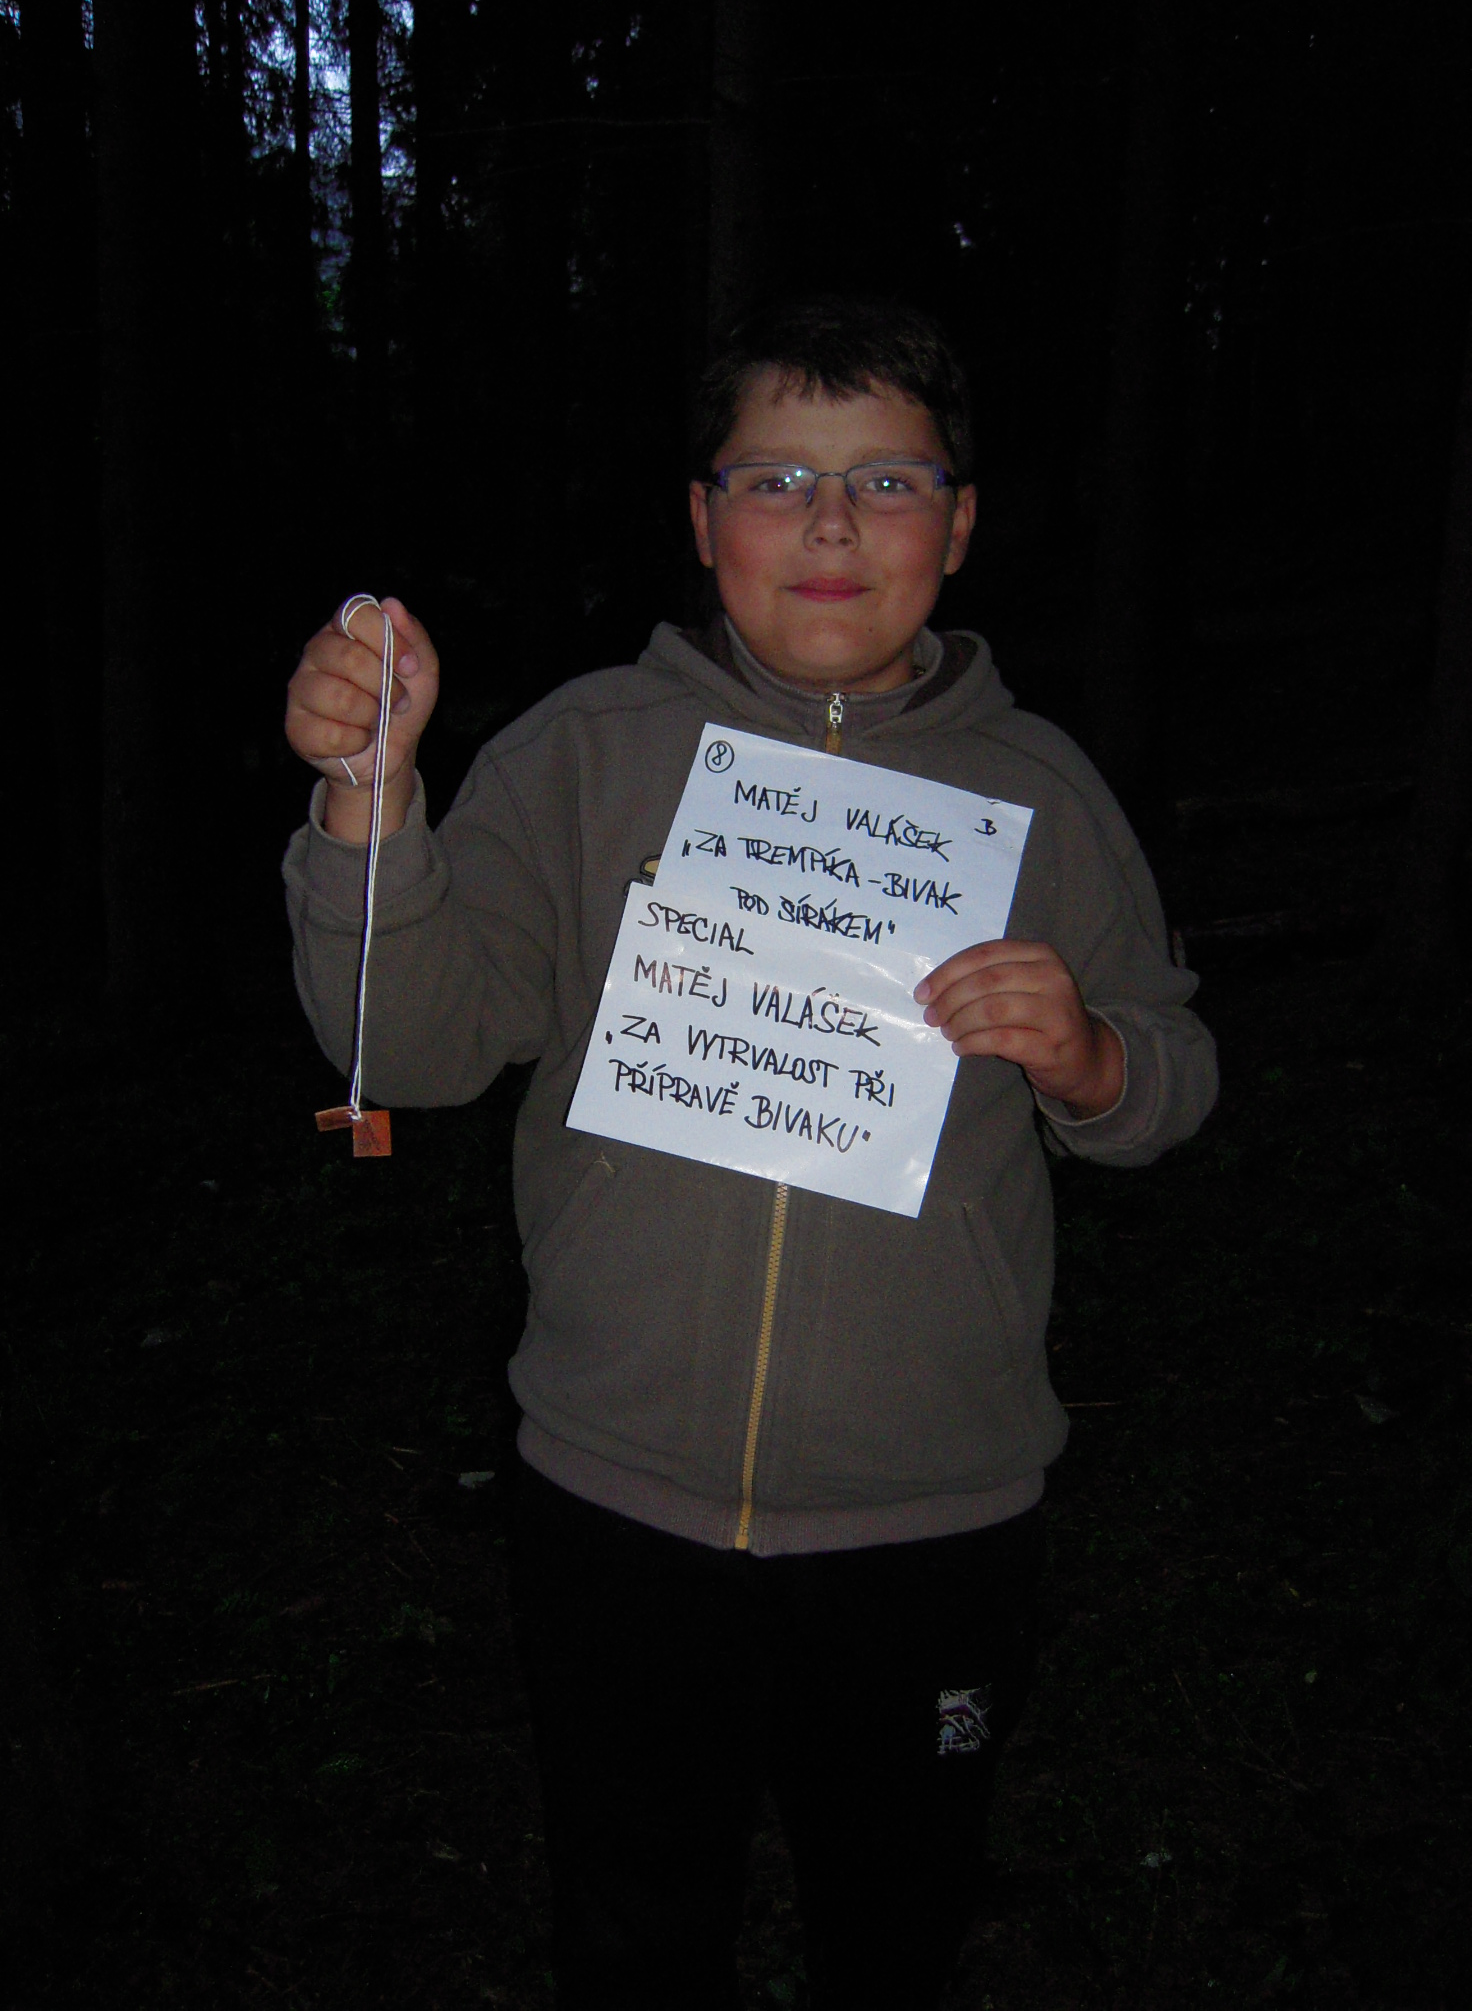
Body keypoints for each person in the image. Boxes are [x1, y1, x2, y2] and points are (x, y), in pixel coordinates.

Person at [282, 298, 1217, 2010]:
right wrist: (368, 804)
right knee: (634, 1937)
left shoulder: (1041, 790)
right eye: (779, 479)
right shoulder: (580, 755)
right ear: (704, 521)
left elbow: (1172, 1079)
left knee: (898, 1932)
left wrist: (1091, 1054)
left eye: (889, 481)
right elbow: (409, 1048)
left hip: (933, 1518)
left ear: (961, 526)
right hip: (615, 1500)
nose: (834, 525)